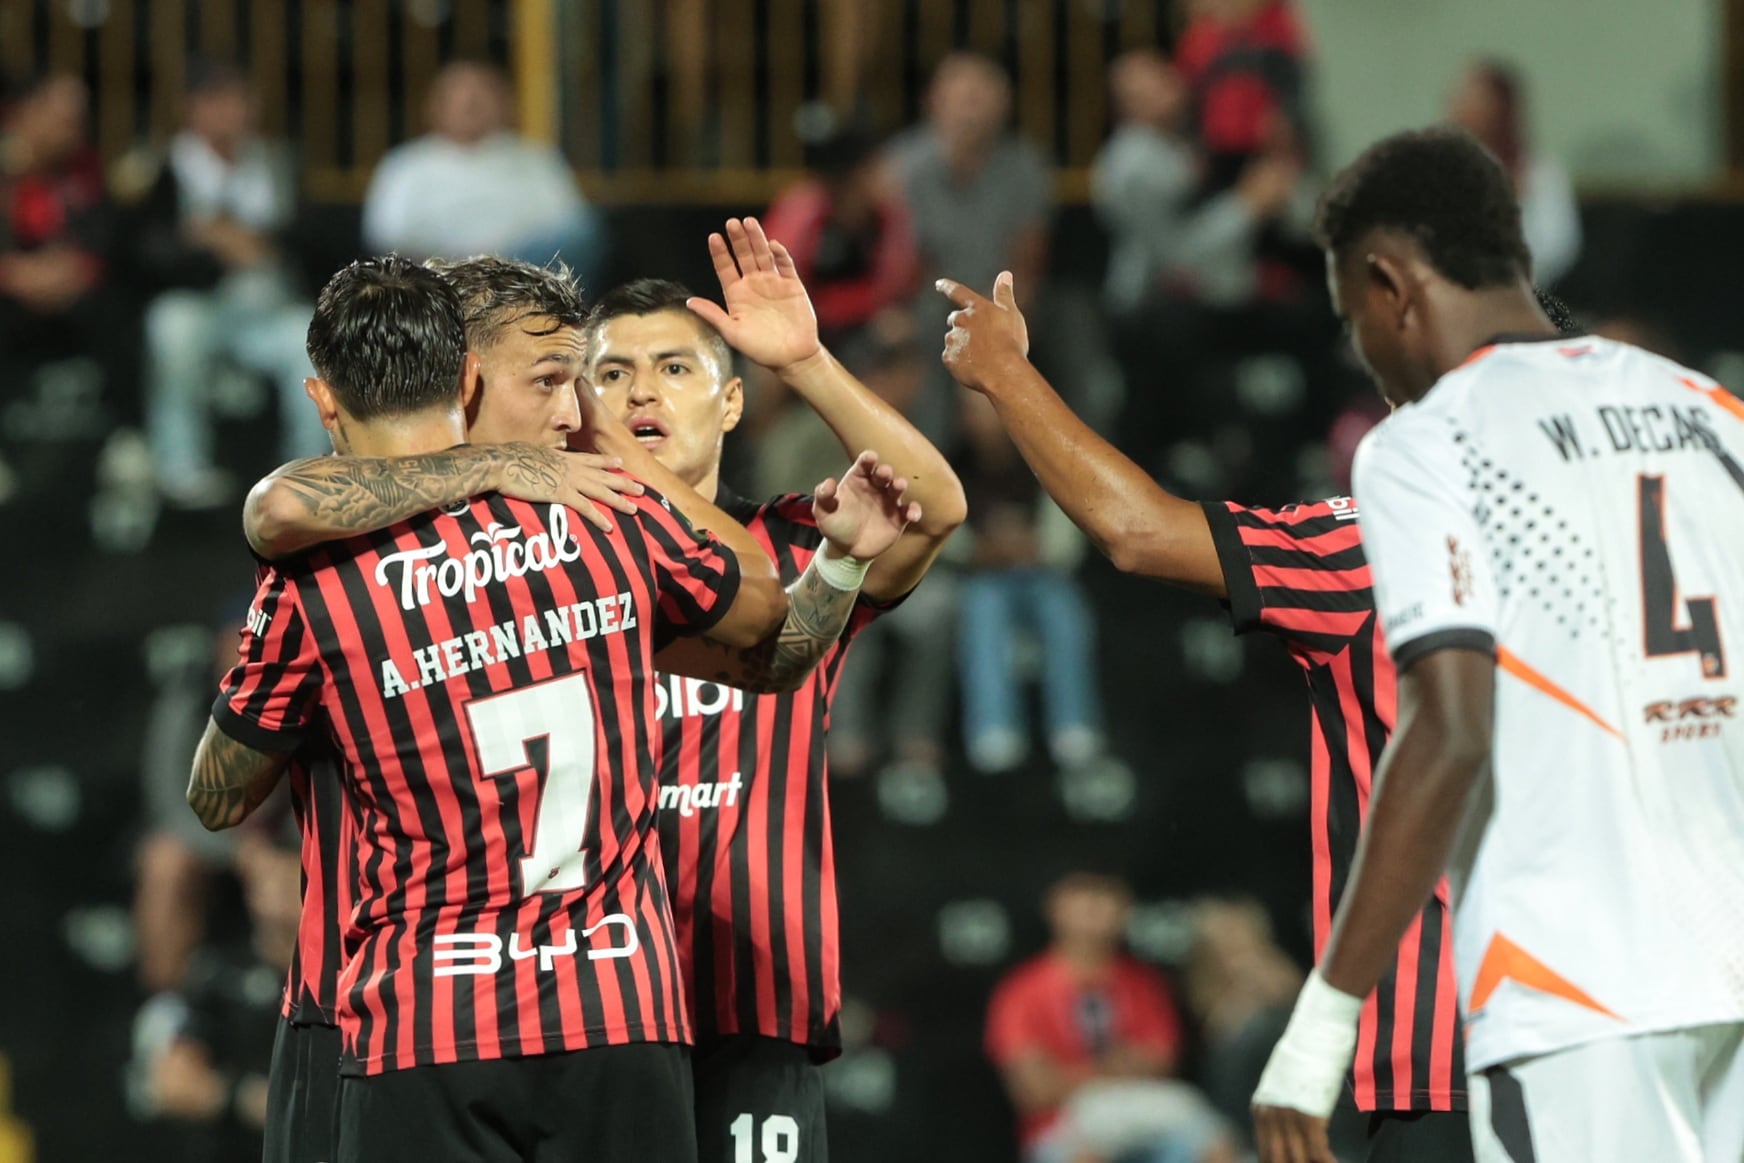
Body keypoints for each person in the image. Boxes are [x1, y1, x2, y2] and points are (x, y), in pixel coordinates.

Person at [232, 252, 921, 1163]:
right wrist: (513, 468)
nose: (575, 410)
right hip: (482, 1014)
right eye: (557, 379)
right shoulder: (575, 528)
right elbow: (768, 623)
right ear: (462, 378)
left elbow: (270, 515)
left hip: (425, 1021)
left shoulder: (336, 557)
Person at [1249, 127, 1744, 1163]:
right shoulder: (1708, 412)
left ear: (1390, 283)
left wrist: (1323, 1018)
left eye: (1352, 316)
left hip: (1578, 993)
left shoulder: (1430, 443)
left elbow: (1449, 727)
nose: (1365, 349)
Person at [934, 264, 1474, 1158]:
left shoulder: (1377, 543)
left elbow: (1139, 531)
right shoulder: (1654, 552)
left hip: (1445, 1042)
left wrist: (1006, 376)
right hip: (1624, 1017)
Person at [586, 219, 964, 1161]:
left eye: (675, 368)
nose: (642, 390)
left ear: (730, 404)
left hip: (752, 1004)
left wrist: (808, 362)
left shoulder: (802, 546)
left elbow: (937, 505)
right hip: (587, 1005)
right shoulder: (549, 572)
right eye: (613, 372)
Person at [986, 871, 1235, 1163]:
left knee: (1213, 1144)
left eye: (1106, 896)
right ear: (1055, 907)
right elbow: (1033, 1089)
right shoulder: (1022, 989)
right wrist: (1116, 1069)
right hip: (1063, 1125)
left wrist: (1071, 1074)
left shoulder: (1144, 982)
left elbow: (1161, 1063)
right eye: (1084, 895)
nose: (1095, 907)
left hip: (1143, 1113)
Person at [362, 61, 604, 283]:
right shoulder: (406, 165)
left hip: (525, 279)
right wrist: (465, 261)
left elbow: (573, 227)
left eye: (480, 97)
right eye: (461, 98)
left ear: (504, 103)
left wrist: (505, 260)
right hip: (439, 280)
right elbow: (387, 235)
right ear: (434, 106)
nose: (471, 105)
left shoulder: (537, 159)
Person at [1448, 61, 1581, 287]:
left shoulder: (1538, 174)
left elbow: (1556, 246)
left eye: (1474, 96)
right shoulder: (1438, 171)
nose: (1459, 104)